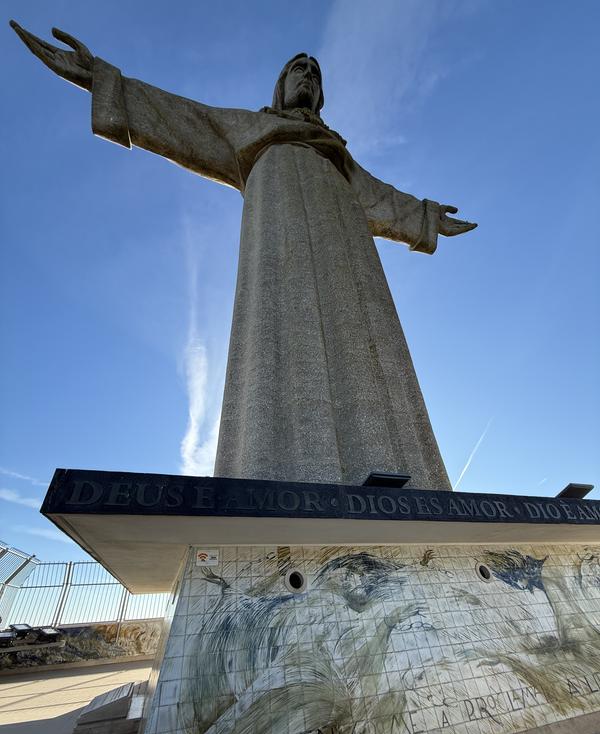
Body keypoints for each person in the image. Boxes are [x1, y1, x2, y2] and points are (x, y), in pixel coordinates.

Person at [10, 22, 477, 489]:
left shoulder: (337, 157)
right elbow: (183, 119)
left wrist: (425, 216)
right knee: (282, 325)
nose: (308, 77)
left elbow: (379, 197)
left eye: (315, 74)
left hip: (346, 250)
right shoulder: (251, 128)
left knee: (362, 331)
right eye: (299, 69)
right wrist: (102, 79)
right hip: (280, 234)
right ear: (280, 85)